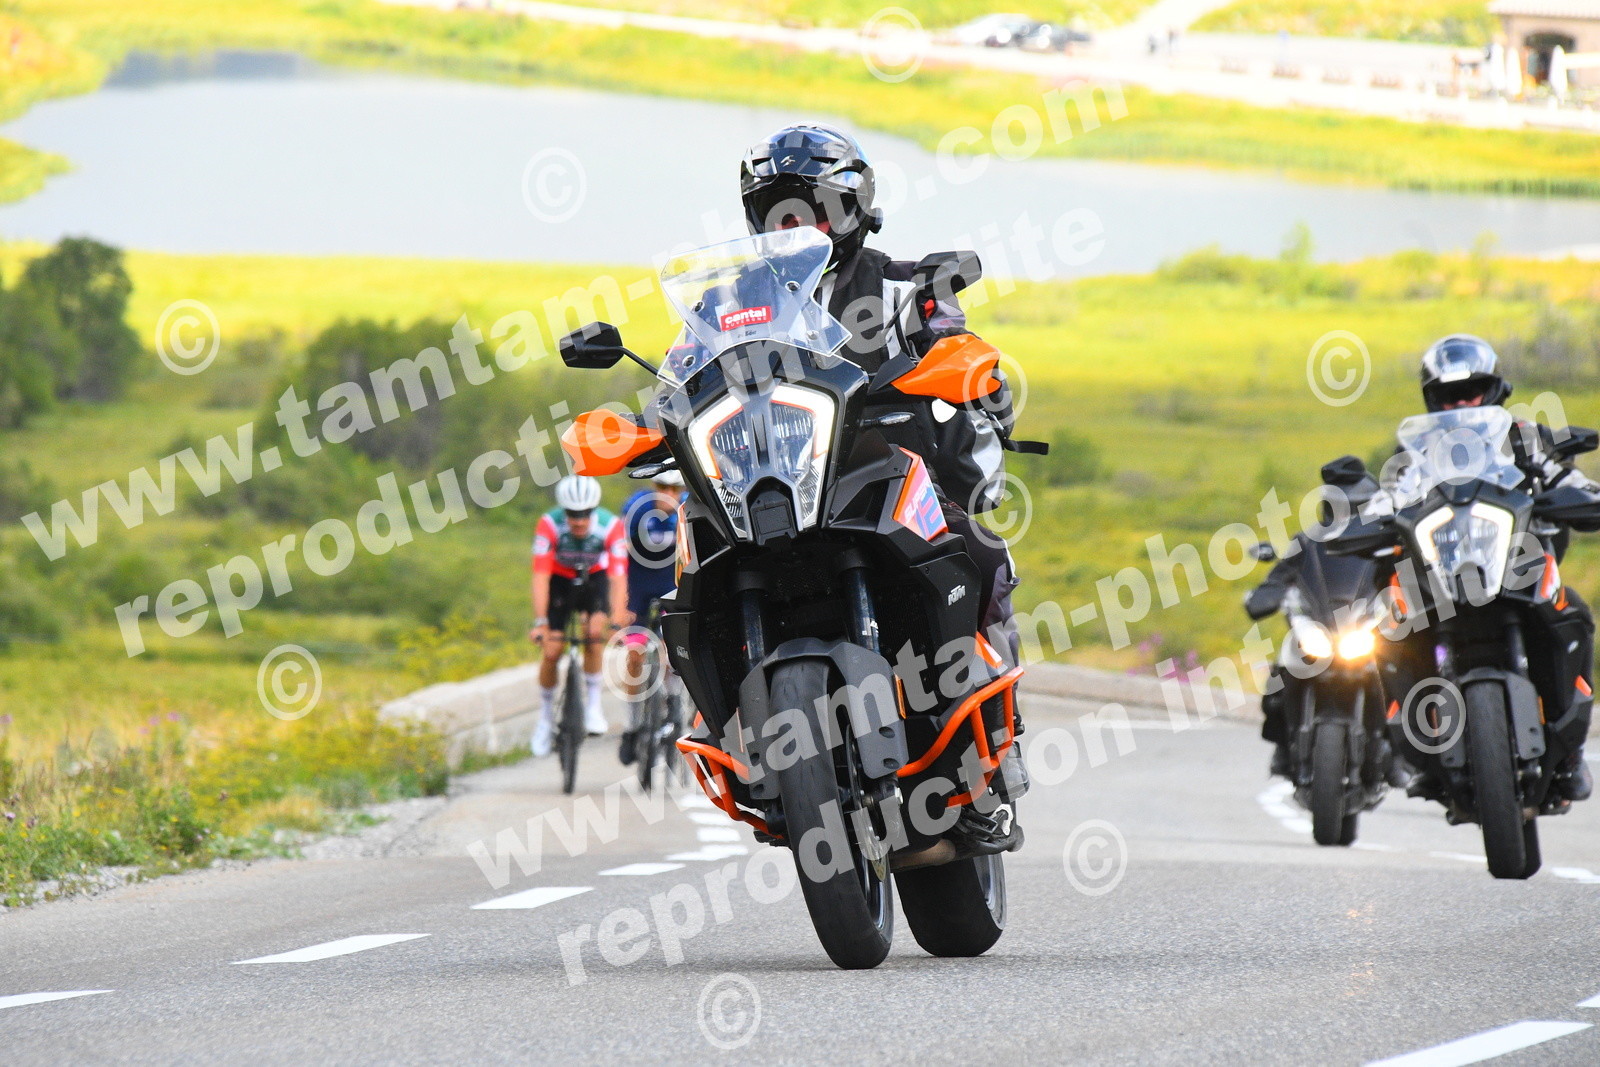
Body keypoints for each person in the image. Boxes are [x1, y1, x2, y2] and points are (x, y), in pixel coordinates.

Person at [738, 123, 1032, 660]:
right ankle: (698, 706)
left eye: (815, 210)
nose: (796, 227)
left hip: (885, 478)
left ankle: (991, 696)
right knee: (685, 581)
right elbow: (683, 373)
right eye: (780, 214)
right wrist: (647, 422)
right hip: (764, 489)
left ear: (854, 209)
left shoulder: (902, 287)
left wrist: (963, 363)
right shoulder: (732, 303)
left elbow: (953, 341)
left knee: (982, 556)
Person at [1381, 335, 1599, 802]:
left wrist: (1580, 492)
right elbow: (1388, 499)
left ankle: (1570, 751)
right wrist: (1364, 521)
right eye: (1449, 395)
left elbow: (1565, 475)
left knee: (1574, 615)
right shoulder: (1413, 456)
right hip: (1439, 571)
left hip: (1517, 560)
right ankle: (1420, 751)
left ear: (1495, 389)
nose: (1461, 402)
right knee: (1391, 632)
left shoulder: (1525, 438)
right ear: (1432, 399)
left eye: (1472, 390)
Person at [529, 474, 629, 757]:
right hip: (559, 580)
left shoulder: (611, 526)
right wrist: (541, 622)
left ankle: (593, 706)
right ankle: (545, 718)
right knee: (552, 650)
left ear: (593, 510)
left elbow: (618, 578)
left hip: (594, 579)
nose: (579, 521)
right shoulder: (549, 524)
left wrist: (617, 619)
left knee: (594, 633)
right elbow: (540, 576)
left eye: (585, 514)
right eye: (572, 514)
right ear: (564, 511)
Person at [616, 470, 685, 766]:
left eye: (674, 489)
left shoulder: (688, 508)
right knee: (634, 655)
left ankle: (674, 700)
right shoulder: (636, 509)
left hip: (672, 589)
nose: (667, 494)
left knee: (673, 652)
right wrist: (620, 601)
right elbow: (618, 556)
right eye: (661, 486)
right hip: (639, 592)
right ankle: (632, 727)